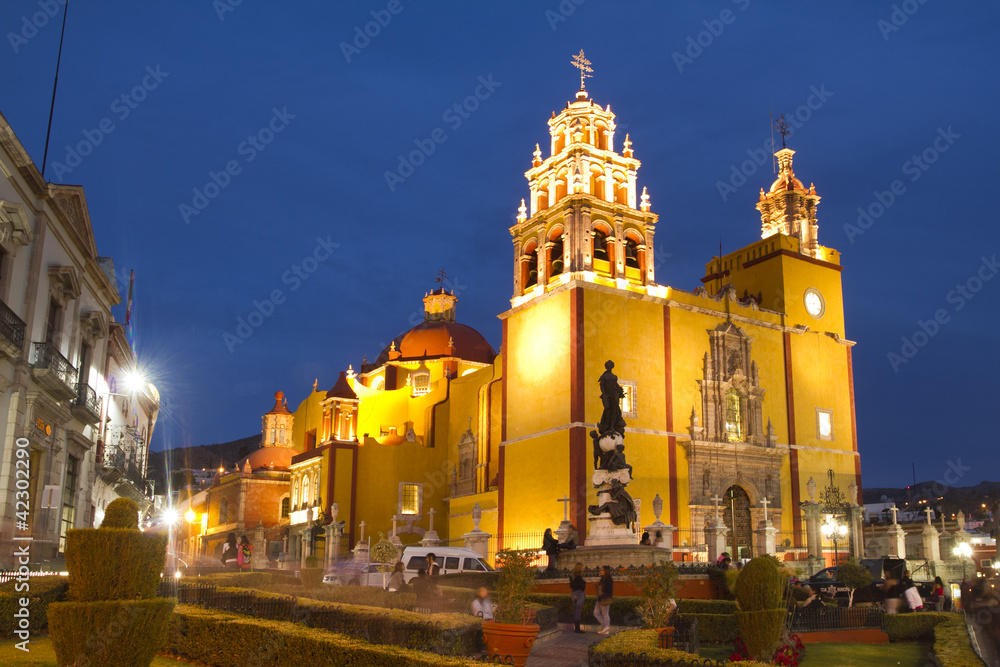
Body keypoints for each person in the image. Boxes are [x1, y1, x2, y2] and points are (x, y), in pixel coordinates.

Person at [594, 565, 613, 635]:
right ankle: (606, 627)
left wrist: (603, 593)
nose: (600, 571)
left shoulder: (608, 579)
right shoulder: (602, 579)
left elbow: (608, 590)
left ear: (605, 571)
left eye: (602, 570)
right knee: (596, 613)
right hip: (599, 598)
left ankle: (606, 629)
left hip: (604, 598)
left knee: (605, 614)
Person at [569, 562, 587, 634]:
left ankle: (576, 627)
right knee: (578, 611)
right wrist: (584, 582)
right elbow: (582, 587)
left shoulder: (572, 576)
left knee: (576, 610)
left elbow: (571, 586)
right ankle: (577, 628)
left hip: (573, 594)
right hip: (579, 594)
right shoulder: (579, 577)